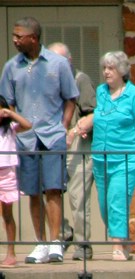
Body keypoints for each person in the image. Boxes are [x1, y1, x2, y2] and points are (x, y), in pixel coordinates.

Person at [0, 16, 79, 264]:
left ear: (33, 38)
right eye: (13, 35)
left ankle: (56, 242)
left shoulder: (57, 64)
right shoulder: (11, 67)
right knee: (33, 192)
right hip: (25, 139)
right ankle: (41, 242)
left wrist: (64, 127)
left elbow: (71, 98)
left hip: (52, 134)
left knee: (53, 189)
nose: (14, 40)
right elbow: (7, 103)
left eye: (18, 36)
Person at [72, 51, 135, 262]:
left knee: (117, 200)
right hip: (101, 158)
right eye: (105, 68)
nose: (106, 72)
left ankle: (117, 245)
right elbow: (99, 115)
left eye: (111, 68)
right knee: (105, 205)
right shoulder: (101, 92)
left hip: (127, 157)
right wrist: (87, 125)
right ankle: (124, 241)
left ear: (122, 70)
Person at [50, 43, 96, 263]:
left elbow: (92, 113)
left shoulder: (81, 80)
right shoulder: (47, 82)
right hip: (52, 145)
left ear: (69, 60)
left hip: (78, 146)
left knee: (78, 199)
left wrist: (76, 130)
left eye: (59, 60)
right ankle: (64, 231)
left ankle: (82, 245)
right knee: (45, 193)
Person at [0, 94, 31, 266]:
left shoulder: (10, 127)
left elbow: (27, 125)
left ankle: (11, 253)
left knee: (7, 214)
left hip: (7, 174)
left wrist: (10, 113)